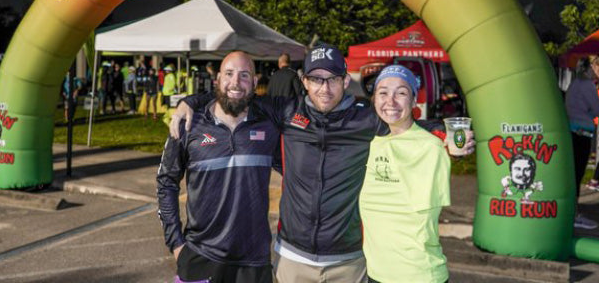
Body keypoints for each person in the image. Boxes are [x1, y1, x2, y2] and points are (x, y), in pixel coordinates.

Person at [171, 44, 474, 282]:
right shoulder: (287, 111)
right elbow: (236, 95)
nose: (324, 89)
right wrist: (190, 101)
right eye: (316, 79)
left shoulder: (364, 117)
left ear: (345, 81)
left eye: (332, 80)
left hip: (348, 259)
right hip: (293, 257)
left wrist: (444, 131)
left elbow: (403, 121)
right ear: (303, 81)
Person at [157, 51, 280, 283]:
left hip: (253, 261)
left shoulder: (270, 125)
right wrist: (175, 243)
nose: (235, 82)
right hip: (200, 255)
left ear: (254, 82)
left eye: (244, 75)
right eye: (229, 74)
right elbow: (166, 182)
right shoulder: (189, 125)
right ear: (218, 80)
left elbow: (297, 172)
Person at [359, 65, 455, 283]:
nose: (390, 101)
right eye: (383, 93)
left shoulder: (432, 147)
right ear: (374, 99)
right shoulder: (367, 143)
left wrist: (455, 142)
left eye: (401, 93)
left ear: (413, 101)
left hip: (420, 274)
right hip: (375, 274)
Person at [565, 56, 599, 229]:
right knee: (577, 174)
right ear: (590, 67)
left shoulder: (578, 84)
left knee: (575, 174)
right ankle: (573, 214)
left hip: (576, 133)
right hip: (580, 134)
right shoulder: (586, 86)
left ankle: (572, 211)